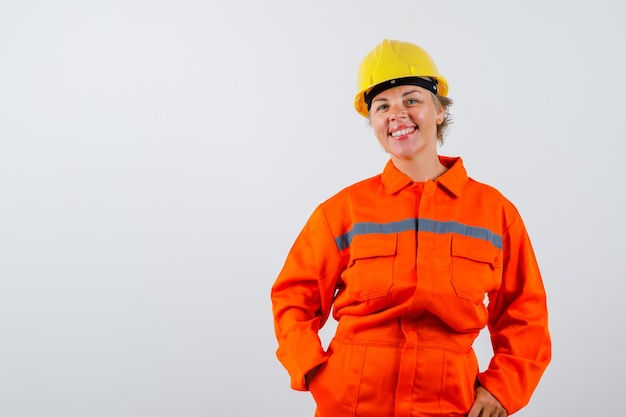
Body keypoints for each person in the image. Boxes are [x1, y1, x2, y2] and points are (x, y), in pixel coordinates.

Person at [270, 39, 551, 417]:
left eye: (412, 99)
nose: (396, 113)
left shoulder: (495, 213)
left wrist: (502, 390)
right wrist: (313, 369)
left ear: (439, 111)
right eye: (382, 106)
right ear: (373, 123)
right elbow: (293, 297)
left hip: (449, 405)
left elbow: (525, 314)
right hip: (350, 403)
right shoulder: (343, 211)